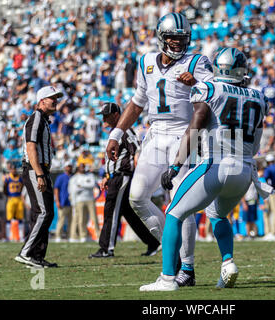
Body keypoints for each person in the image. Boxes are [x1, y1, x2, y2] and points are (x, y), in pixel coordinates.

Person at [139, 47, 272, 291]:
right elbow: (257, 140)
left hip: (216, 163)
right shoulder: (259, 97)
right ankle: (228, 262)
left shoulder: (210, 88)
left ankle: (168, 278)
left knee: (174, 214)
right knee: (218, 215)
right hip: (243, 170)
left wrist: (176, 163)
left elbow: (196, 124)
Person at [106, 13, 213, 287]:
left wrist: (198, 85)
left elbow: (217, 94)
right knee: (137, 197)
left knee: (180, 203)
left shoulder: (197, 61)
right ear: (161, 37)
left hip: (184, 134)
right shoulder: (145, 62)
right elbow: (137, 102)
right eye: (172, 38)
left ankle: (186, 269)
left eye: (181, 39)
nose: (177, 44)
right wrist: (117, 133)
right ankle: (174, 255)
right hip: (154, 135)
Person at [89, 103, 161, 258]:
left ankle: (106, 248)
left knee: (111, 211)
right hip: (116, 177)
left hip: (122, 177)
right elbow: (114, 159)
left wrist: (138, 174)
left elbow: (136, 150)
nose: (104, 118)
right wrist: (107, 176)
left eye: (106, 115)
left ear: (116, 115)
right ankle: (153, 242)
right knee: (130, 214)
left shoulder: (125, 131)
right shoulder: (116, 132)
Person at [15, 85, 63, 268]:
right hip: (35, 170)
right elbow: (31, 147)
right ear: (41, 100)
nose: (55, 101)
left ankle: (36, 256)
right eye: (52, 97)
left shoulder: (43, 120)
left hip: (41, 170)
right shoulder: (36, 119)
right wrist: (40, 173)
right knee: (43, 212)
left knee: (46, 213)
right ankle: (26, 253)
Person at [68, 163, 100, 242]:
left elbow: (92, 185)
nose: (82, 168)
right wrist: (85, 185)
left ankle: (98, 235)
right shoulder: (75, 178)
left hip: (90, 199)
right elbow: (74, 189)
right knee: (81, 219)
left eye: (83, 166)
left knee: (94, 218)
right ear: (78, 168)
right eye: (81, 166)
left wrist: (81, 185)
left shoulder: (90, 175)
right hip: (80, 200)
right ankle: (83, 236)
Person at [3, 162, 24, 242]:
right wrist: (7, 195)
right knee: (9, 218)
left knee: (20, 218)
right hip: (11, 199)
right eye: (12, 169)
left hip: (18, 199)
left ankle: (20, 236)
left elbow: (23, 187)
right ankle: (9, 236)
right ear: (10, 170)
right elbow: (4, 188)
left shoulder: (20, 178)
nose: (14, 170)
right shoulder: (8, 178)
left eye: (14, 169)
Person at [53, 161, 73, 242]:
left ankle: (70, 236)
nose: (69, 168)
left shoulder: (73, 177)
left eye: (70, 166)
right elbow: (56, 189)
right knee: (61, 220)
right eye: (68, 166)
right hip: (63, 202)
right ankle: (58, 235)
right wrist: (57, 201)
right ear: (65, 167)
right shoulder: (61, 177)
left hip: (71, 202)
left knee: (71, 221)